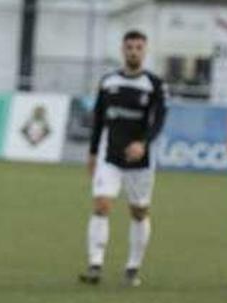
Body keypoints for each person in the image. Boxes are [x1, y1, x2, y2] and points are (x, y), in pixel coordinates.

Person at [80, 30, 167, 287]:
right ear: (123, 49)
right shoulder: (108, 82)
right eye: (129, 47)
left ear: (145, 50)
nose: (133, 51)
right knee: (101, 205)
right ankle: (95, 264)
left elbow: (159, 120)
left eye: (139, 47)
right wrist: (93, 152)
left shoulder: (154, 84)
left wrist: (143, 143)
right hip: (110, 156)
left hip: (140, 162)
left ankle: (133, 267)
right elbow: (98, 121)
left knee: (139, 212)